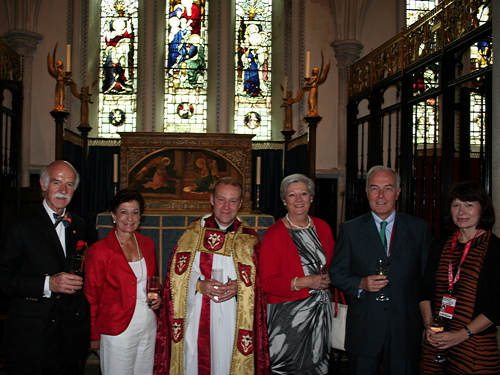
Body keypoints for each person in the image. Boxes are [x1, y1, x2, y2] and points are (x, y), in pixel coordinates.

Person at [154, 177, 270, 375]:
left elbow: (260, 284)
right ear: (211, 199)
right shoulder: (193, 233)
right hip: (198, 312)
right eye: (221, 199)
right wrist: (199, 285)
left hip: (234, 315)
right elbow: (175, 278)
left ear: (240, 204)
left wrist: (240, 287)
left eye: (233, 201)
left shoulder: (249, 238)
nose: (227, 206)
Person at [330, 165, 431, 375]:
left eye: (388, 188)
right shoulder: (351, 229)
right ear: (367, 192)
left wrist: (429, 322)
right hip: (365, 328)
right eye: (374, 188)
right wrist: (360, 283)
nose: (381, 195)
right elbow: (337, 272)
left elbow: (427, 279)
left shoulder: (419, 229)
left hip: (405, 327)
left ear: (398, 192)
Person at [0, 160, 89, 374]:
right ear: (43, 184)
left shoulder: (78, 225)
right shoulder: (20, 226)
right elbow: (3, 278)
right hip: (32, 338)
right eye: (56, 183)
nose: (63, 190)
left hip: (67, 336)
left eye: (69, 184)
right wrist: (48, 283)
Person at [419, 181, 500, 374]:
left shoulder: (495, 249)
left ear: (483, 209)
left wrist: (462, 334)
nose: (461, 211)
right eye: (456, 205)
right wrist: (430, 326)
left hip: (475, 348)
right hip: (436, 344)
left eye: (469, 205)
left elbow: (498, 304)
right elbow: (424, 290)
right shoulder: (440, 246)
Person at [259, 173, 335, 374]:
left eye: (303, 194)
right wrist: (304, 281)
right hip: (288, 315)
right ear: (284, 201)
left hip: (320, 312)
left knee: (317, 366)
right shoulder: (274, 234)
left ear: (311, 197)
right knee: (288, 368)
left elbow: (333, 266)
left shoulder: (323, 227)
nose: (299, 200)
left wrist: (330, 277)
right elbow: (266, 283)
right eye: (292, 195)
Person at [84, 189, 161, 375]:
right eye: (123, 212)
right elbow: (91, 296)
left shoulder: (147, 243)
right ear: (113, 215)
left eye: (135, 212)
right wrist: (93, 335)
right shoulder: (99, 251)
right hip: (117, 329)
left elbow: (153, 280)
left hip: (148, 324)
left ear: (140, 216)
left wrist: (156, 296)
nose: (130, 217)